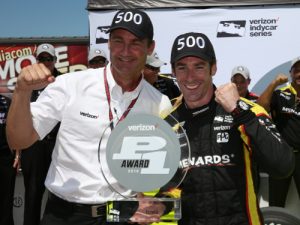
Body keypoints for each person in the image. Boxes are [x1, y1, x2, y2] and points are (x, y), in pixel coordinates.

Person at [6, 9, 172, 225]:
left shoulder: (160, 103)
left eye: (136, 42)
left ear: (150, 48)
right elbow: (18, 139)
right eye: (118, 41)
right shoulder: (70, 85)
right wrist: (21, 92)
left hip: (122, 214)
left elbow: (162, 169)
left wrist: (154, 201)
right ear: (109, 43)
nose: (125, 51)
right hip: (65, 215)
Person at [161, 32, 295, 225]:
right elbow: (165, 192)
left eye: (199, 66)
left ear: (213, 67)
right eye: (182, 68)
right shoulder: (166, 120)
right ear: (173, 71)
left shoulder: (245, 110)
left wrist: (239, 112)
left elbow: (283, 166)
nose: (190, 76)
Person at [19, 43, 62, 225]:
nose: (45, 62)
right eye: (41, 58)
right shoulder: (28, 80)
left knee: (59, 194)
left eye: (48, 58)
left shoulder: (64, 81)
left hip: (58, 145)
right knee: (33, 193)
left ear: (55, 60)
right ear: (36, 60)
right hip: (34, 144)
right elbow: (20, 114)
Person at [257, 56, 300, 208]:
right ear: (291, 73)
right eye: (297, 70)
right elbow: (261, 107)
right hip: (282, 155)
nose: (299, 74)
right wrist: (274, 83)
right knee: (276, 203)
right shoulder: (281, 94)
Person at [0, 94, 18, 225]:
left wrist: (18, 154)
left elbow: (16, 130)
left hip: (6, 157)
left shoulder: (7, 101)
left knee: (6, 201)